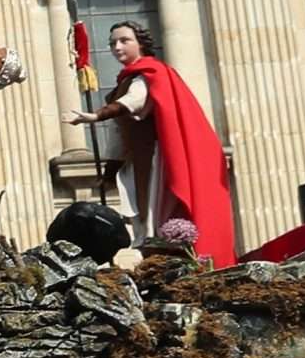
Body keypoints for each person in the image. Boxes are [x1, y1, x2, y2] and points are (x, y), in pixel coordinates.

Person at [67, 19, 237, 263]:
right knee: (139, 209)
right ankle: (149, 249)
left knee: (153, 211)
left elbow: (134, 102)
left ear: (141, 43)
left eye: (124, 41)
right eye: (112, 42)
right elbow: (118, 133)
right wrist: (109, 171)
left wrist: (96, 116)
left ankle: (160, 250)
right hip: (136, 160)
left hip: (156, 159)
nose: (117, 47)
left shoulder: (148, 74)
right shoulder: (124, 82)